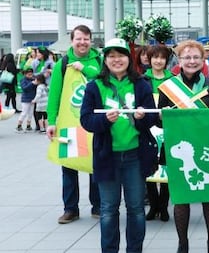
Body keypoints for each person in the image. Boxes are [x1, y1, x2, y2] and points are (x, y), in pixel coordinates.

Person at [80, 38, 158, 253]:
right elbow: (86, 120)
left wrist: (142, 118)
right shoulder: (94, 86)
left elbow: (152, 119)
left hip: (135, 156)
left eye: (121, 55)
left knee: (136, 210)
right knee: (108, 210)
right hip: (107, 157)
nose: (117, 60)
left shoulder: (141, 84)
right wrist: (105, 120)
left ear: (128, 58)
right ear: (105, 60)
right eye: (111, 56)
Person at [158, 39, 209, 253]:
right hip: (178, 149)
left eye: (196, 57)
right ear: (179, 60)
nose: (191, 61)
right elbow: (160, 120)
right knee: (181, 199)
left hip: (206, 148)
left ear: (203, 60)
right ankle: (182, 243)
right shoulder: (168, 87)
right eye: (187, 57)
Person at [47, 24, 101, 224]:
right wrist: (51, 121)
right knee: (68, 167)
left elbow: (104, 80)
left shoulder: (99, 60)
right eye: (78, 39)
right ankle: (71, 209)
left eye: (86, 38)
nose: (82, 42)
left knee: (95, 165)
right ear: (72, 41)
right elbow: (55, 95)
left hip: (94, 124)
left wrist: (85, 68)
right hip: (69, 123)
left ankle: (98, 205)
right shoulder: (63, 63)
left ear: (90, 40)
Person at [143, 44, 174, 222]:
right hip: (148, 128)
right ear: (149, 59)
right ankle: (153, 205)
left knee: (166, 166)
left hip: (167, 127)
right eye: (155, 57)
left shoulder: (173, 80)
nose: (158, 61)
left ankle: (163, 206)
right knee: (149, 167)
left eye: (162, 57)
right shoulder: (141, 80)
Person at [15, 68, 37, 133]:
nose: (30, 75)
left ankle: (28, 126)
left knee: (30, 113)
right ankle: (19, 126)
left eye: (31, 74)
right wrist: (32, 84)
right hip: (25, 99)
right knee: (24, 113)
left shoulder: (34, 79)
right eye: (28, 74)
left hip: (32, 99)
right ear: (25, 74)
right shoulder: (23, 80)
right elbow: (24, 88)